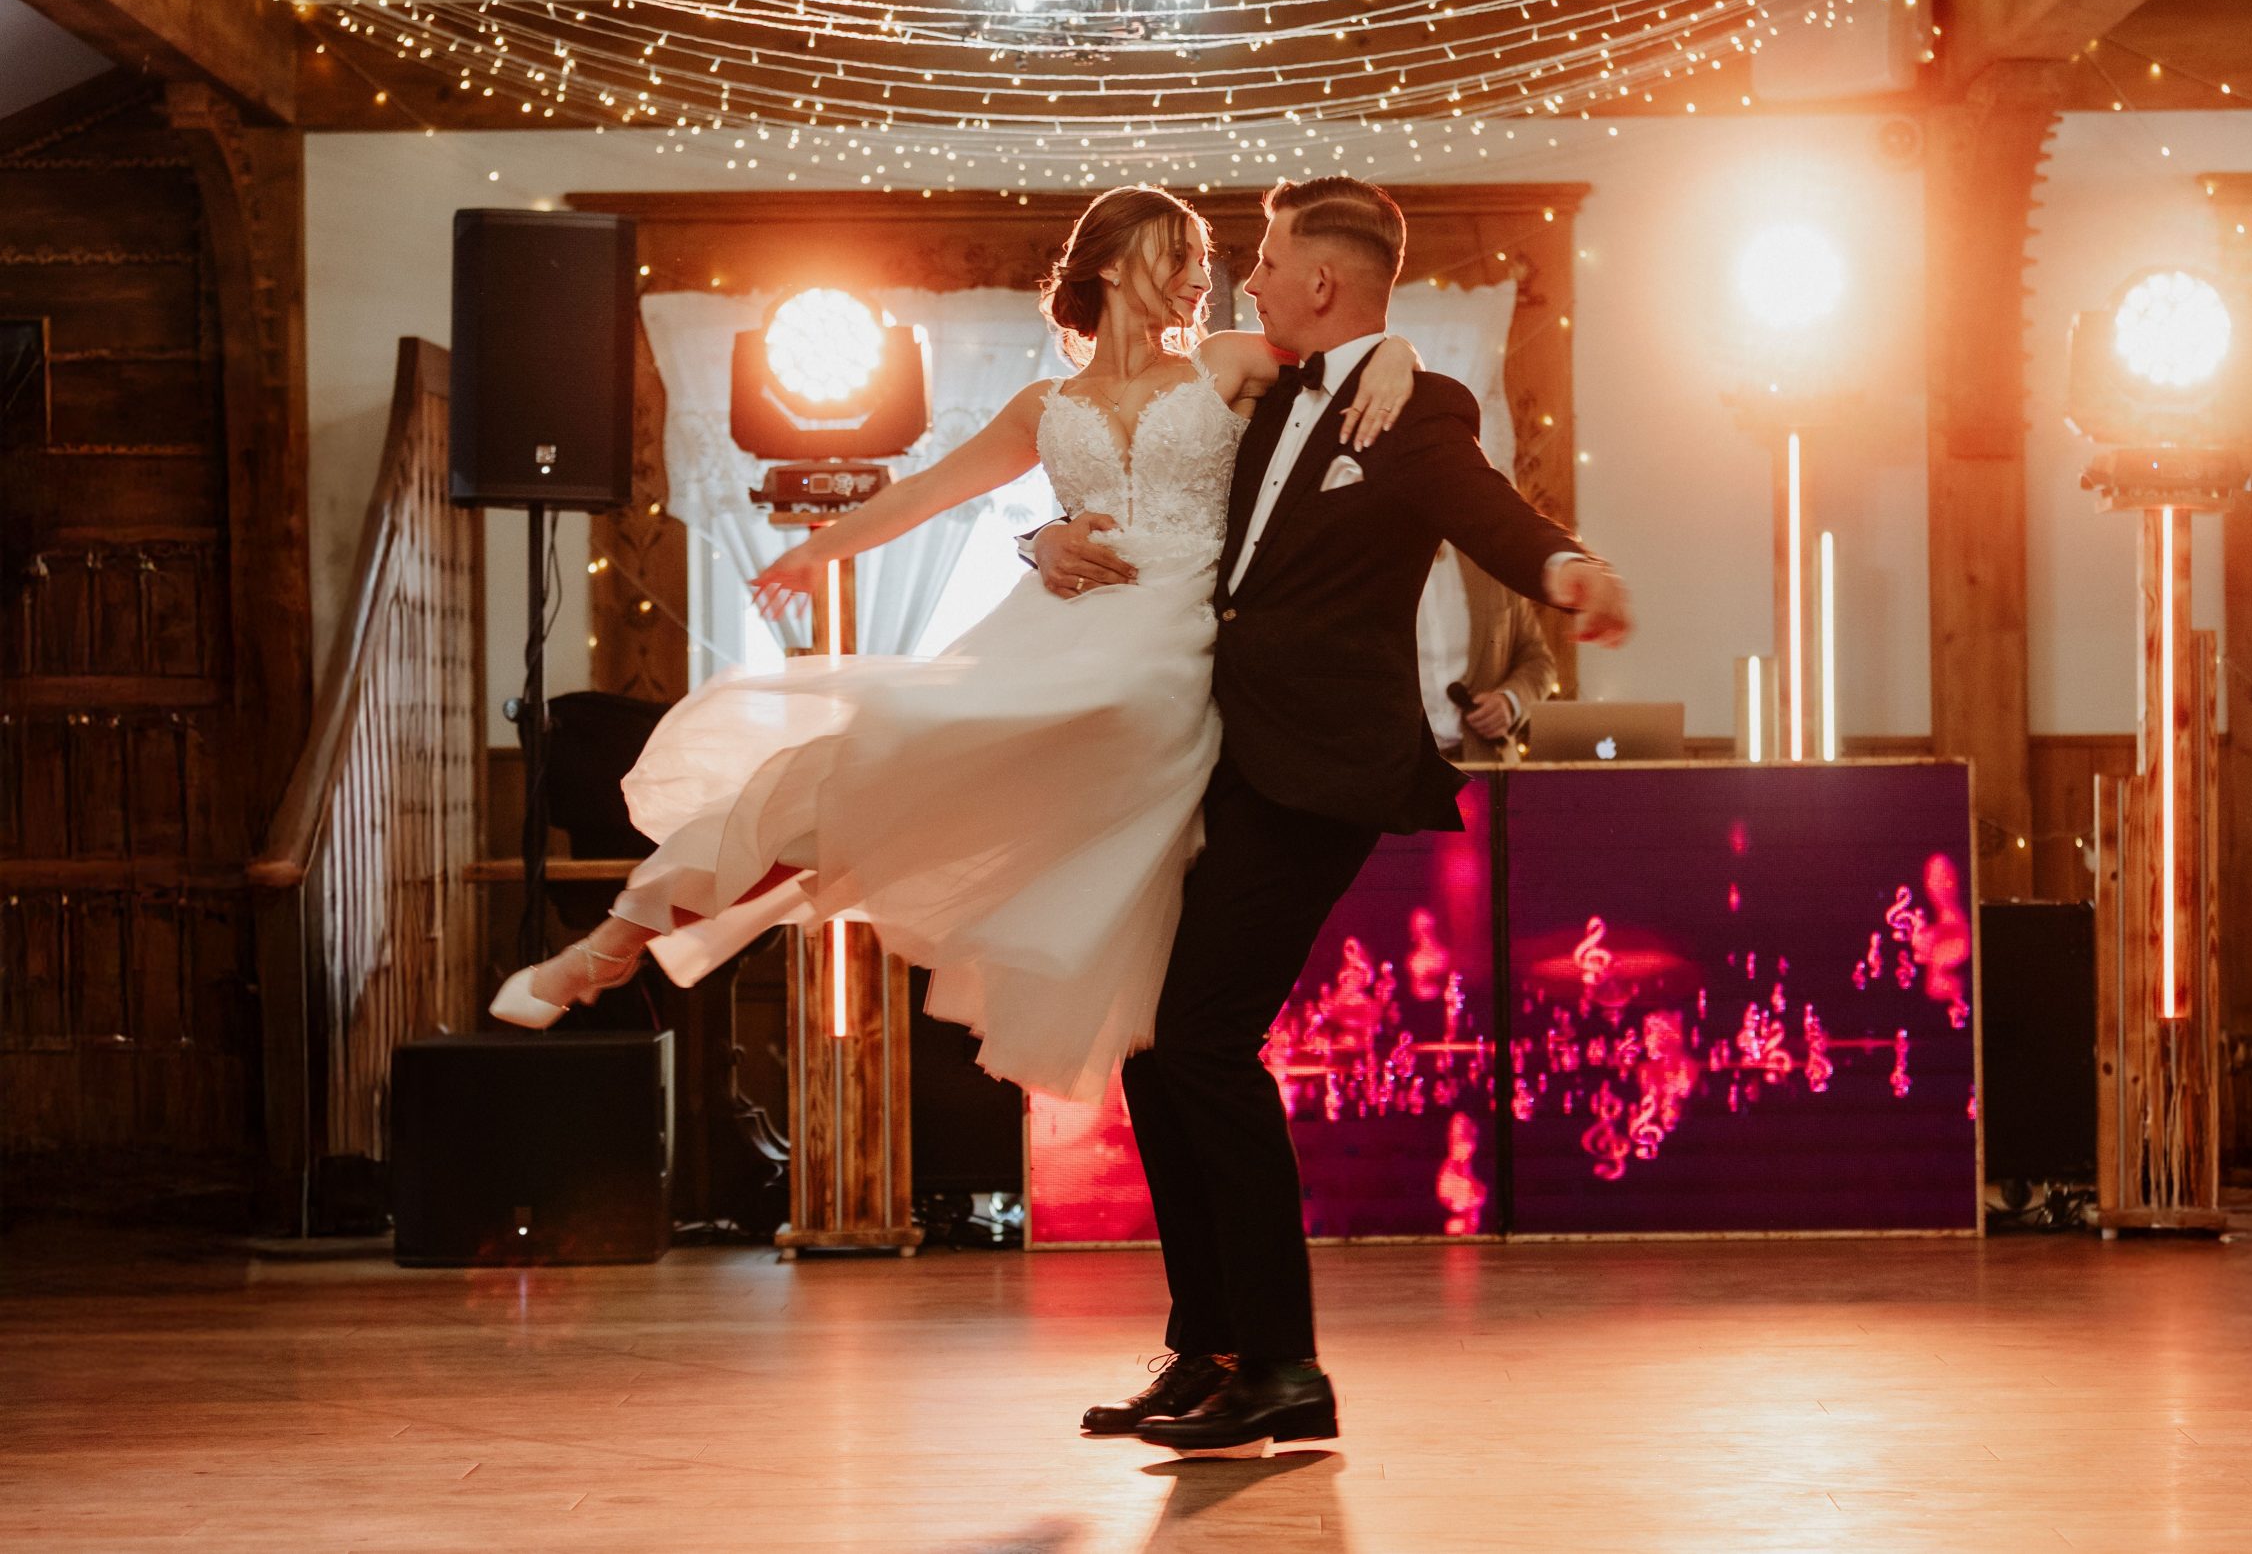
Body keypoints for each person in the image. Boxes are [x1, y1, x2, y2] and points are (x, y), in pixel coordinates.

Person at [489, 185, 1426, 1111]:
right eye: (1179, 254)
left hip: (1166, 648)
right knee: (855, 772)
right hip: (1054, 632)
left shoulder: (1228, 361)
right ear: (1111, 266)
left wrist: (1399, 352)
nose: (1200, 276)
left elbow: (1344, 354)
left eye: (1203, 259)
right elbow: (926, 491)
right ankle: (611, 944)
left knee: (1082, 722)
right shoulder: (1043, 405)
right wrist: (829, 549)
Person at [1034, 177, 1632, 1458]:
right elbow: (1142, 478)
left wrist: (1566, 569)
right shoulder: (1262, 392)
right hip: (1212, 755)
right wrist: (1043, 534)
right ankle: (1213, 1350)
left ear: (1319, 281)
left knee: (1201, 1042)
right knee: (1154, 1045)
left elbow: (1485, 510)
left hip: (1320, 770)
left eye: (1264, 261)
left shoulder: (1416, 408)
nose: (1245, 281)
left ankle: (1285, 1369)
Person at [1422, 542, 1558, 761]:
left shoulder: (1492, 563)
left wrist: (1510, 701)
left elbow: (1538, 660)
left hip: (1487, 762)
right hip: (1397, 768)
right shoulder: (1372, 571)